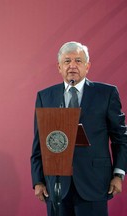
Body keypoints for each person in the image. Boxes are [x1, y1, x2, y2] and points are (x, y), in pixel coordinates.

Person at [31, 41, 127, 216]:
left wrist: (118, 174)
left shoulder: (106, 94)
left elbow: (121, 138)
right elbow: (39, 143)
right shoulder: (45, 96)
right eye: (67, 61)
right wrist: (38, 180)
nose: (72, 66)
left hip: (95, 182)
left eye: (78, 61)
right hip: (57, 184)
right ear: (59, 67)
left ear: (87, 66)